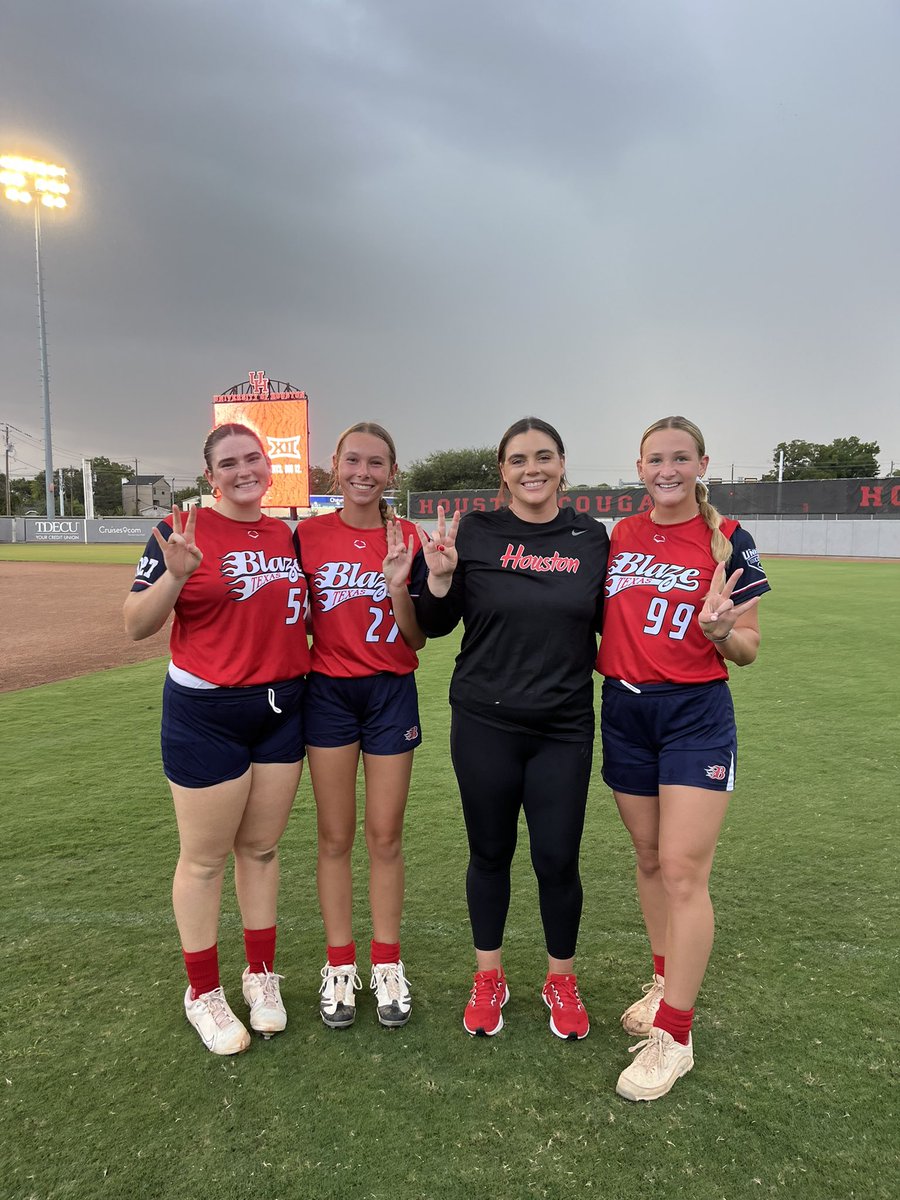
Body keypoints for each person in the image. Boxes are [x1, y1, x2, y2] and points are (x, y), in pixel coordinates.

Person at [412, 417, 609, 1040]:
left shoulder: (590, 536)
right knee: (490, 854)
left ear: (562, 464)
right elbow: (439, 624)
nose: (533, 468)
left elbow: (616, 622)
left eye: (544, 456)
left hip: (564, 724)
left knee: (557, 859)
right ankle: (488, 976)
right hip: (484, 721)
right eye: (519, 458)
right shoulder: (477, 532)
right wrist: (439, 580)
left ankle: (560, 980)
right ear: (502, 470)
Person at [597, 415, 771, 1101]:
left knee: (682, 872)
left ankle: (675, 1034)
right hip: (625, 709)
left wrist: (725, 630)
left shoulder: (729, 540)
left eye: (679, 458)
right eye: (654, 459)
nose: (667, 470)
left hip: (695, 713)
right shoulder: (620, 536)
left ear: (702, 463)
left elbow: (750, 648)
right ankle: (665, 978)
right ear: (639, 468)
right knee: (647, 859)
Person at [124, 423, 310, 1055]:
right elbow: (135, 625)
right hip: (206, 712)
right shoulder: (182, 529)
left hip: (282, 707)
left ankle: (261, 977)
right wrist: (172, 578)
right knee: (204, 858)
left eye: (252, 458)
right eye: (228, 463)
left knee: (259, 850)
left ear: (268, 464)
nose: (243, 470)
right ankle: (201, 992)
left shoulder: (286, 534)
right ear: (211, 477)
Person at [294, 422, 426, 1030]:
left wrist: (399, 585)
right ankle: (340, 965)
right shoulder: (309, 535)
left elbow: (417, 634)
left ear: (392, 472)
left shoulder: (409, 536)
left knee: (385, 835)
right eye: (354, 461)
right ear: (335, 466)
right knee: (334, 836)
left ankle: (388, 963)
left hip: (390, 692)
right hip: (328, 695)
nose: (364, 473)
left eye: (376, 463)